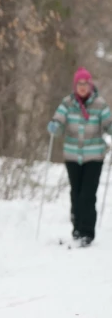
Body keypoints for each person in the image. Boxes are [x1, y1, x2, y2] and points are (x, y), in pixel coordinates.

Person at [47, 67, 112, 247]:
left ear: (90, 85)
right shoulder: (67, 103)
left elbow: (108, 125)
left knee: (87, 195)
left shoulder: (99, 104)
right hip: (72, 155)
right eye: (79, 84)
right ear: (75, 86)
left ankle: (87, 232)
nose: (82, 87)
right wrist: (54, 126)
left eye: (85, 84)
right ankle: (77, 229)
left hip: (94, 156)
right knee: (75, 193)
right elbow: (58, 122)